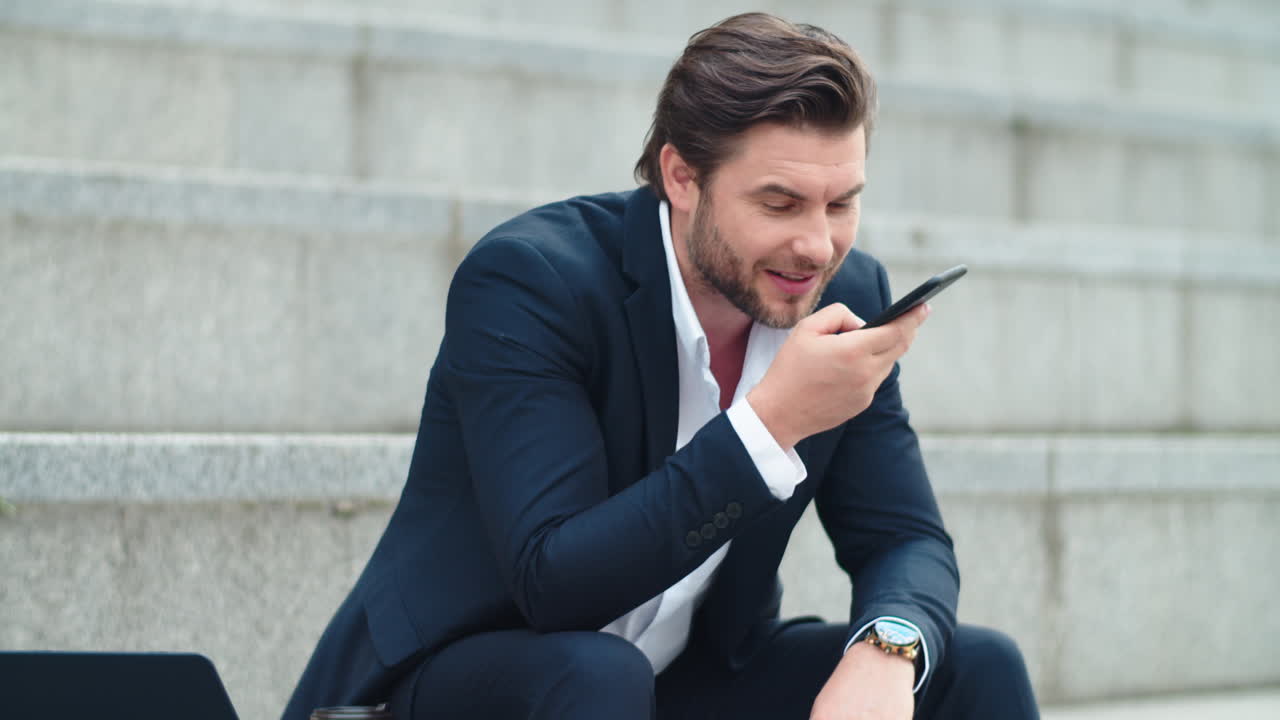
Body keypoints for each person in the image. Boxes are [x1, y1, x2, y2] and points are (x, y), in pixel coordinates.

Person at [282, 12, 1038, 720]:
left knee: (974, 668)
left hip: (676, 678)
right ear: (682, 178)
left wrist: (889, 647)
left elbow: (905, 537)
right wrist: (771, 423)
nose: (817, 245)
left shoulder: (847, 294)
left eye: (841, 204)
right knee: (596, 673)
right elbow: (555, 583)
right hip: (463, 678)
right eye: (780, 204)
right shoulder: (532, 281)